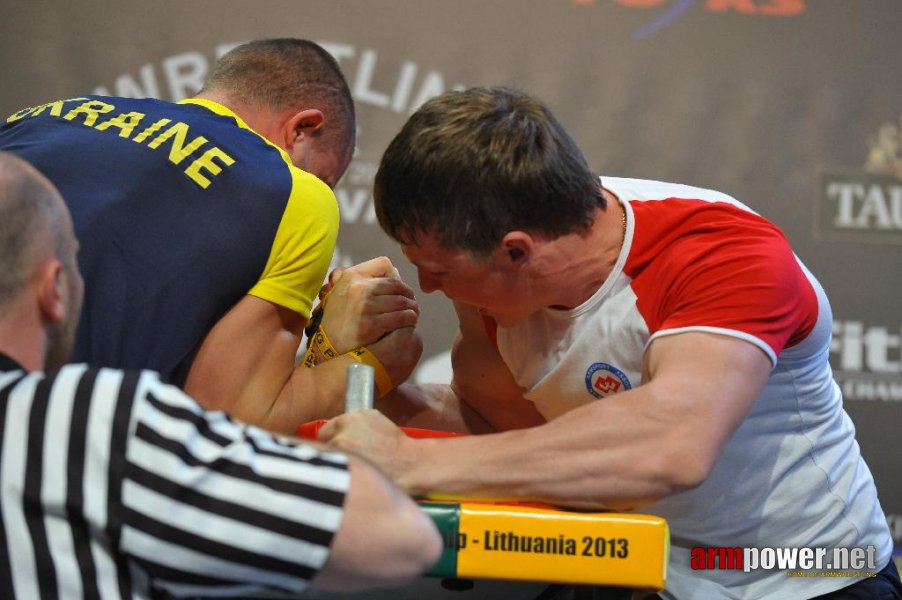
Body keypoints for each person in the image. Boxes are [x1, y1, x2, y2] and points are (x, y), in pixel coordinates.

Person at [317, 87, 902, 599]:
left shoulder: (719, 252)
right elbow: (509, 430)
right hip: (640, 567)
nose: (427, 286)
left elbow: (672, 445)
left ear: (516, 252)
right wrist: (361, 382)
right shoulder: (493, 268)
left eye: (438, 269)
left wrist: (411, 461)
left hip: (803, 571)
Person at [0, 150, 441, 597]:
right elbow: (401, 538)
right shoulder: (93, 418)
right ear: (55, 288)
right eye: (78, 260)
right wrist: (338, 367)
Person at [0, 38, 421, 434]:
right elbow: (230, 417)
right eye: (323, 177)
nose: (317, 186)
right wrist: (376, 365)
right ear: (302, 129)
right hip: (37, 454)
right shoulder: (293, 190)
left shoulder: (42, 116)